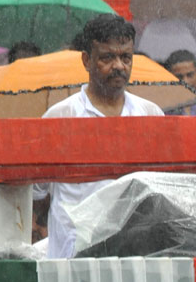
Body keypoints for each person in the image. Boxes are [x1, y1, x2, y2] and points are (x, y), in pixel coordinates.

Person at [34, 14, 163, 259]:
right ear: (86, 60)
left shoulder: (150, 114)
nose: (119, 66)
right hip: (73, 255)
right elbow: (38, 196)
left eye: (125, 57)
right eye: (107, 57)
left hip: (135, 254)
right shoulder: (60, 117)